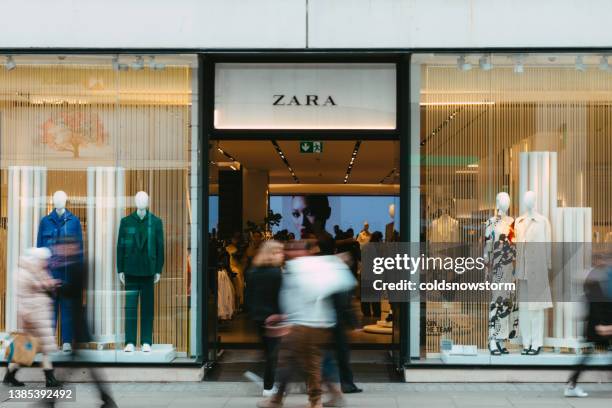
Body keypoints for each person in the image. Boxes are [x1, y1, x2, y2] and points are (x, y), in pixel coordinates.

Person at [257, 238, 356, 408]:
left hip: (308, 324)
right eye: (289, 249)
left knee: (304, 363)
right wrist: (283, 316)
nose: (289, 252)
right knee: (295, 361)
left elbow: (317, 289)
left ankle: (311, 401)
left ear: (304, 251)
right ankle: (324, 397)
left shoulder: (306, 267)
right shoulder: (299, 268)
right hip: (304, 322)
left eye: (295, 249)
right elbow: (293, 297)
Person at [3, 248, 62, 388]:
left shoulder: (38, 271)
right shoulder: (22, 273)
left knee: (35, 349)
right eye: (43, 260)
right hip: (33, 317)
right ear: (36, 259)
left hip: (39, 316)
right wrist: (49, 284)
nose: (45, 262)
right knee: (31, 349)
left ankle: (10, 376)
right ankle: (49, 379)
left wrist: (51, 284)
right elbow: (24, 295)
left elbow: (43, 285)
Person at [564, 256, 612, 398]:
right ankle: (571, 385)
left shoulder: (600, 280)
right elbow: (596, 307)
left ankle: (571, 385)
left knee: (591, 355)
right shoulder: (596, 282)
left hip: (601, 326)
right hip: (599, 327)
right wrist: (603, 326)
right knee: (588, 355)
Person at [246, 240, 285, 397]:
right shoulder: (276, 273)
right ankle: (268, 387)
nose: (283, 255)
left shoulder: (252, 272)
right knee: (272, 353)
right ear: (273, 253)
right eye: (280, 252)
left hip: (258, 317)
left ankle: (257, 374)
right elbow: (280, 297)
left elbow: (248, 298)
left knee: (267, 350)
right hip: (273, 318)